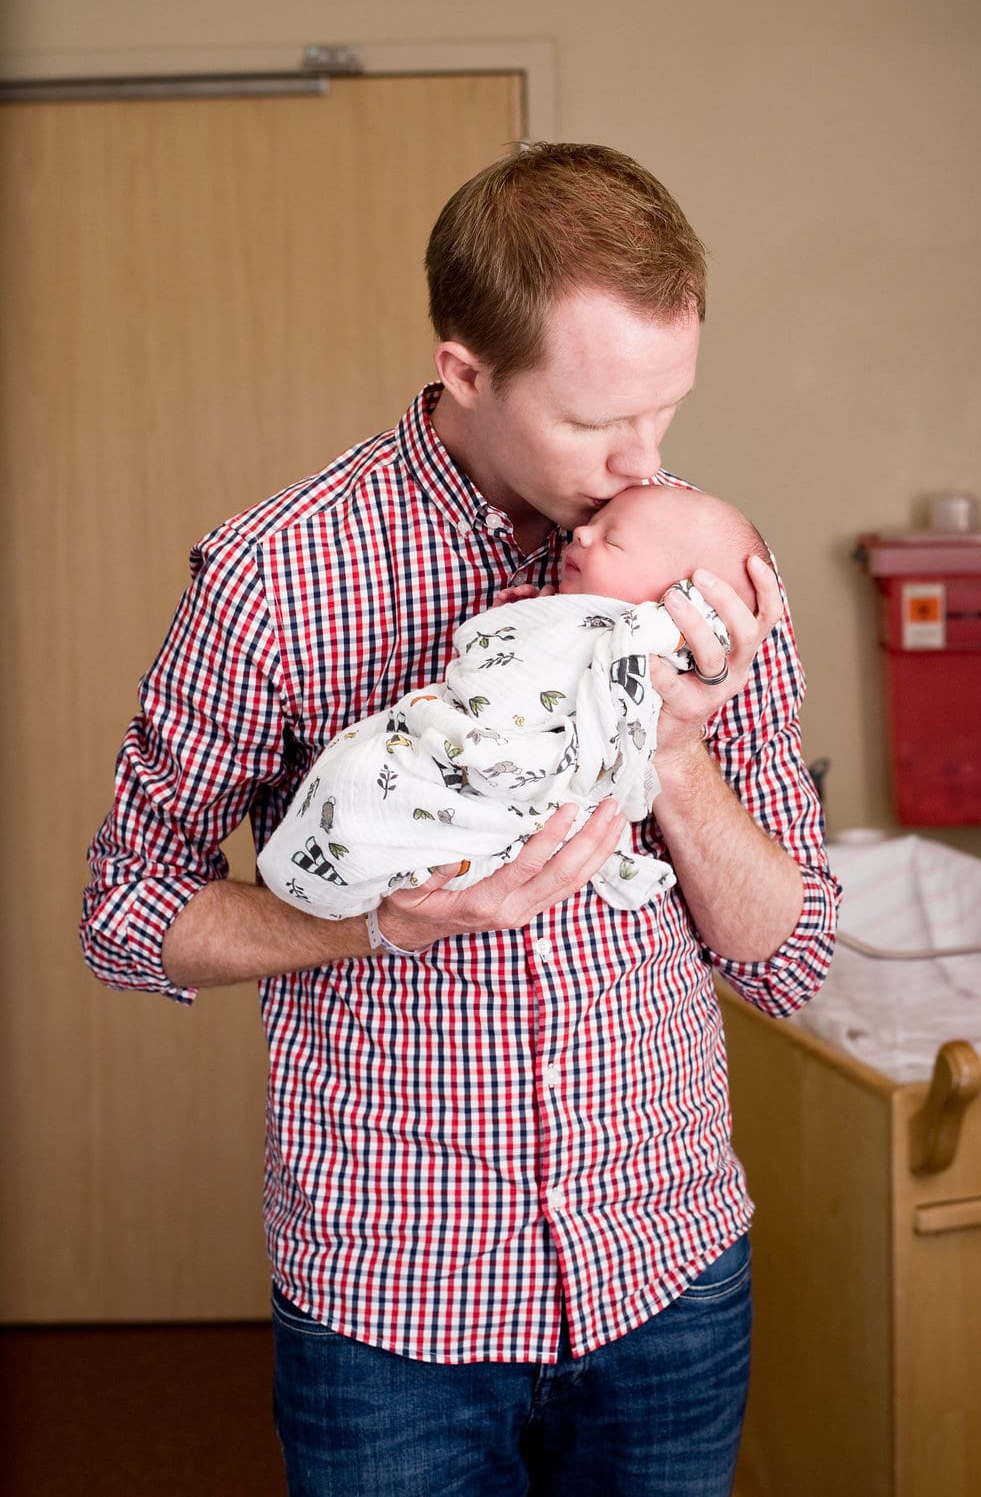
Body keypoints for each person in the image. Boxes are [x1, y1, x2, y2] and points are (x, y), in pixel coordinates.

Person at [81, 142, 839, 1496]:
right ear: (466, 370)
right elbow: (128, 915)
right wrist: (373, 924)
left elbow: (791, 955)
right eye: (599, 422)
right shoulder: (275, 581)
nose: (642, 466)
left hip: (666, 1275)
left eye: (667, 413)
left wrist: (674, 754)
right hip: (391, 1313)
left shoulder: (705, 570)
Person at [256, 484, 769, 921]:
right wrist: (526, 626)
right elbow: (491, 668)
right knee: (361, 776)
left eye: (611, 540)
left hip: (518, 787)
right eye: (593, 525)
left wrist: (677, 749)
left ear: (679, 604)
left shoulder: (686, 639)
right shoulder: (267, 563)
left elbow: (787, 962)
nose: (581, 534)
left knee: (372, 789)